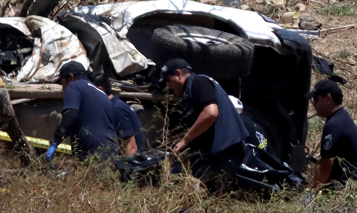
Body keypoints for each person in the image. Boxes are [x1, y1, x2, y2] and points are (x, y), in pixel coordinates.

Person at [161, 58, 248, 189]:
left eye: (168, 81)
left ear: (178, 74)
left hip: (223, 153)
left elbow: (211, 113)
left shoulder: (199, 82)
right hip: (216, 154)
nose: (168, 86)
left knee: (207, 193)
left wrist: (185, 140)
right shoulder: (191, 90)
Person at [45, 61, 119, 164]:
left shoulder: (73, 86)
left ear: (71, 77)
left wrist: (56, 142)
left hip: (91, 150)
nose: (63, 88)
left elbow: (70, 115)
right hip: (112, 150)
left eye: (63, 83)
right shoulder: (101, 93)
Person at [306, 79, 357, 187]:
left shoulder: (334, 125)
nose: (314, 105)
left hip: (343, 188)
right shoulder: (342, 118)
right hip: (353, 184)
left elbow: (325, 166)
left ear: (328, 98)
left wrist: (310, 195)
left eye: (316, 99)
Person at [90, 73, 146, 155]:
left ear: (100, 90)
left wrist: (125, 167)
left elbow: (131, 148)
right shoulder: (113, 106)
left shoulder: (116, 109)